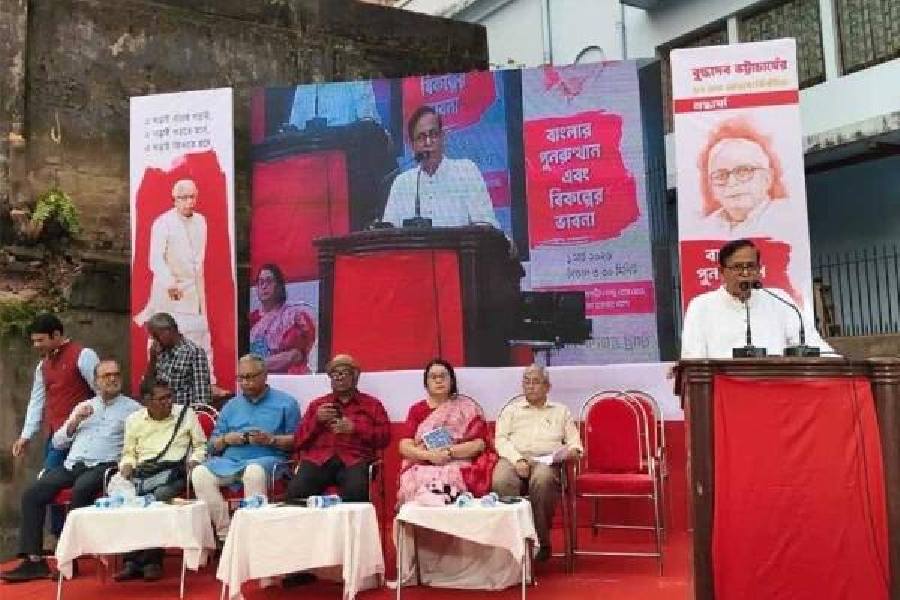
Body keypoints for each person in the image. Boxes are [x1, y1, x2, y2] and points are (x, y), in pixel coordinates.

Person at [0, 360, 140, 583]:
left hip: (104, 466)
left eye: (116, 374)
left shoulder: (133, 410)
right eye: (106, 376)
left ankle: (68, 560)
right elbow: (58, 442)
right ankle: (34, 562)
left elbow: (137, 444)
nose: (112, 379)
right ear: (96, 381)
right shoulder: (84, 406)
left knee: (80, 490)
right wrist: (75, 421)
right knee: (32, 494)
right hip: (72, 464)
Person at [190, 354, 299, 541]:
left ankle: (254, 535)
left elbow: (298, 440)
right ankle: (226, 535)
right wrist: (226, 439)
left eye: (250, 377)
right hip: (231, 460)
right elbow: (212, 445)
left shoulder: (286, 403)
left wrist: (271, 440)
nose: (245, 383)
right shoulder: (231, 405)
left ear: (265, 375)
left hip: (268, 459)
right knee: (199, 474)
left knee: (253, 471)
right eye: (241, 378)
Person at [113, 378, 207, 582]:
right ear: (147, 401)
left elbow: (201, 446)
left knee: (157, 497)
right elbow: (128, 453)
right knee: (130, 499)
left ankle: (152, 562)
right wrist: (127, 465)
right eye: (162, 398)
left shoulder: (185, 415)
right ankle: (131, 561)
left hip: (174, 472)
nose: (168, 402)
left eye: (169, 396)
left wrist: (194, 461)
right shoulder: (134, 420)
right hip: (144, 472)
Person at [681, 238, 834, 359]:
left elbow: (812, 344)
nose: (746, 273)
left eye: (751, 266)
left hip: (775, 388)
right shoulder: (701, 306)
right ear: (721, 272)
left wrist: (837, 361)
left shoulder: (780, 300)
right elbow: (693, 358)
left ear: (759, 269)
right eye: (738, 267)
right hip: (724, 391)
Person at [492, 365, 582, 562]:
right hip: (514, 458)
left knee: (542, 480)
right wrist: (518, 460)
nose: (530, 386)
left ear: (547, 386)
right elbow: (500, 440)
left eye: (536, 382)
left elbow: (575, 445)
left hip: (547, 461)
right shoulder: (510, 410)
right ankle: (511, 544)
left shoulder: (561, 411)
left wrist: (571, 452)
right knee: (501, 480)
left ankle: (541, 542)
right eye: (526, 381)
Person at [134, 178, 214, 373]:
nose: (189, 202)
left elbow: (199, 258)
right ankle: (157, 379)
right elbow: (155, 259)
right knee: (162, 335)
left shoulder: (201, 222)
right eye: (184, 198)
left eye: (192, 197)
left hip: (194, 288)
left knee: (200, 333)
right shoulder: (163, 223)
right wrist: (170, 282)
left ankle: (207, 379)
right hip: (169, 289)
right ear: (175, 199)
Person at [286, 354, 390, 503]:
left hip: (355, 460)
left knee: (356, 493)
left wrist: (355, 428)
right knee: (295, 493)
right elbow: (298, 441)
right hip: (319, 460)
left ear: (355, 376)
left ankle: (350, 527)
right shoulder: (318, 405)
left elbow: (384, 438)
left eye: (344, 373)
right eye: (334, 374)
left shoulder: (372, 405)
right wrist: (317, 420)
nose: (338, 377)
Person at [381, 106, 500, 228]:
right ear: (412, 145)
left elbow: (486, 224)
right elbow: (389, 233)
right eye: (421, 137)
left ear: (443, 137)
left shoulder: (466, 171)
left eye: (433, 135)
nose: (428, 142)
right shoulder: (402, 183)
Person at [396, 359, 494, 505]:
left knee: (456, 474)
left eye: (443, 376)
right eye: (433, 377)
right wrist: (429, 456)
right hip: (424, 462)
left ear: (452, 380)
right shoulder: (417, 410)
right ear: (426, 383)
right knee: (416, 478)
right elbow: (404, 446)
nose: (439, 380)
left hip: (458, 462)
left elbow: (479, 444)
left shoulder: (466, 407)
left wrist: (448, 453)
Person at [11, 314, 99, 468]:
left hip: (83, 432)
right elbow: (36, 402)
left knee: (51, 481)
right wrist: (26, 435)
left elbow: (101, 392)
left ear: (56, 335)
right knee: (49, 479)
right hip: (55, 435)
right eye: (34, 341)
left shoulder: (83, 355)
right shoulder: (42, 366)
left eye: (40, 340)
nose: (36, 345)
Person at [698, 128, 791, 238]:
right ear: (712, 188)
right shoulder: (702, 229)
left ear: (767, 178)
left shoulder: (789, 217)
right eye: (721, 175)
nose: (731, 182)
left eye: (743, 171)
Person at [249, 263, 316, 374]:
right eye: (260, 282)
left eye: (269, 281)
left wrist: (255, 366)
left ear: (279, 286)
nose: (264, 286)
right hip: (253, 380)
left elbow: (295, 356)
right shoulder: (252, 319)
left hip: (287, 380)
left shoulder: (294, 316)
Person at [144, 312, 212, 407]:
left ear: (169, 330)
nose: (155, 340)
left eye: (156, 335)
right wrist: (153, 359)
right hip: (160, 413)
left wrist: (192, 417)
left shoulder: (194, 352)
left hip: (183, 414)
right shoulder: (158, 351)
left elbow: (202, 398)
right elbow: (146, 389)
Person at [289, 81, 380, 130]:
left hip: (347, 149)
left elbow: (368, 122)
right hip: (310, 153)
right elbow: (295, 125)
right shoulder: (303, 87)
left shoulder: (356, 81)